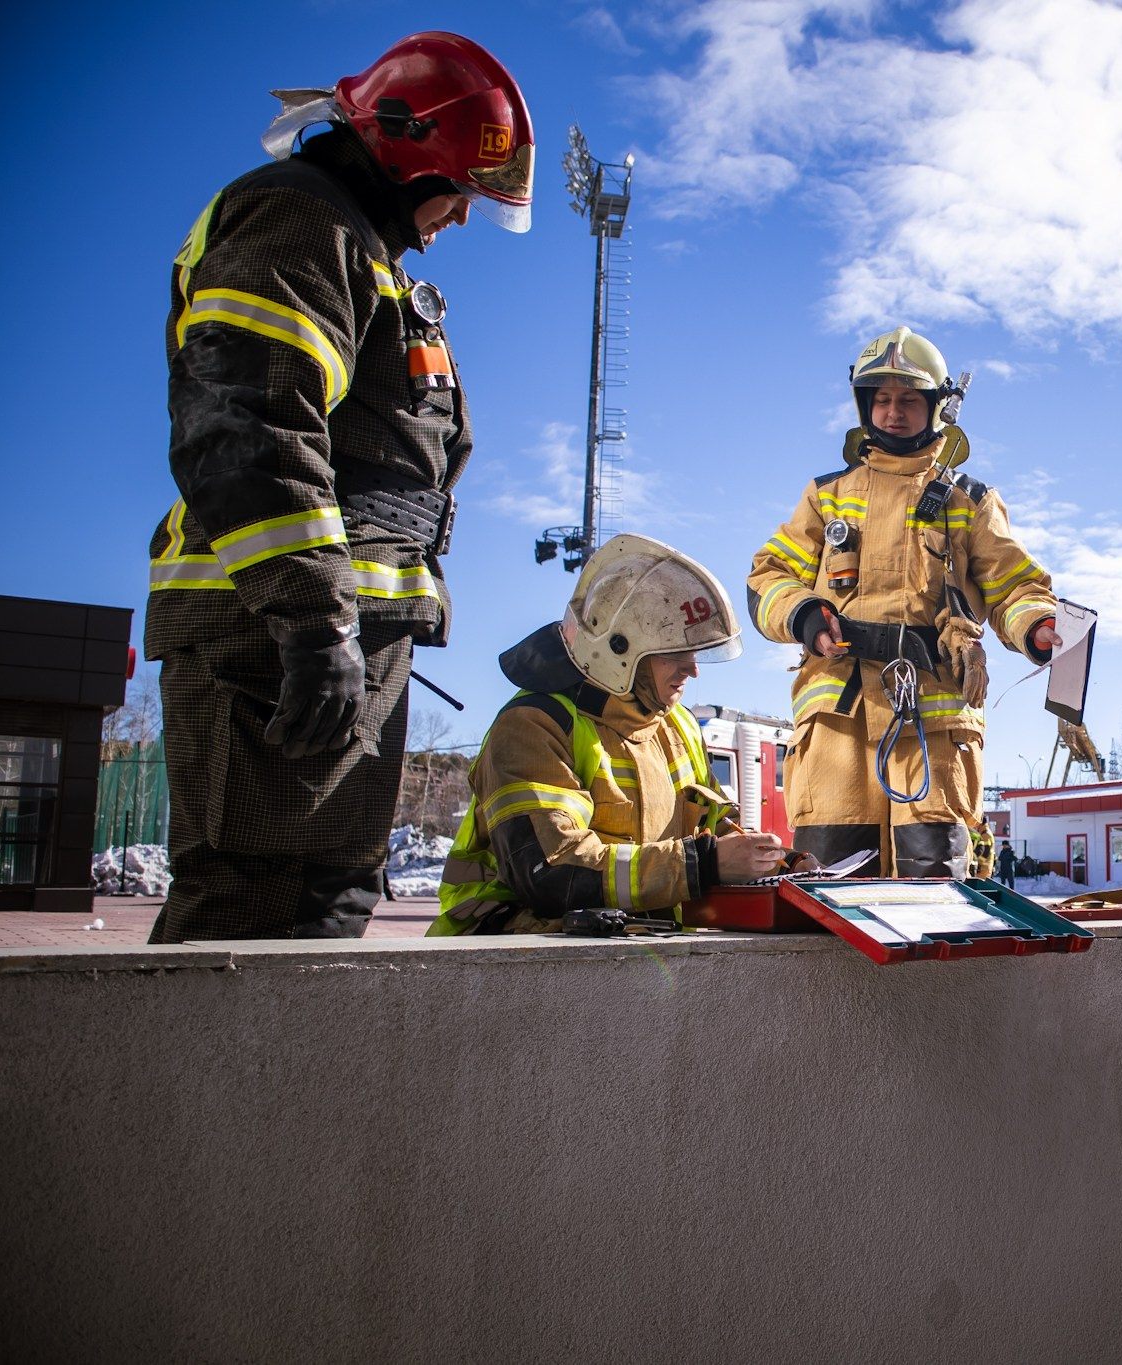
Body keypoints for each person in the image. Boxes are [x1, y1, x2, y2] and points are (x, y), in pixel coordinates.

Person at [145, 34, 534, 942]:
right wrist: (316, 623)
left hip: (339, 637)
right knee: (249, 910)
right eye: (459, 191)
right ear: (405, 157)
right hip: (274, 642)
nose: (462, 219)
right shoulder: (297, 221)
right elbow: (253, 427)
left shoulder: (364, 256)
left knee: (324, 908)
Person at [746, 328, 1063, 878]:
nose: (894, 412)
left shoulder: (970, 500)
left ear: (937, 407)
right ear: (865, 405)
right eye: (882, 399)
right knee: (832, 886)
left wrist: (1037, 625)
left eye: (910, 399)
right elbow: (768, 576)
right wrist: (802, 614)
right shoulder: (827, 496)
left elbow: (1014, 585)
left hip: (933, 728)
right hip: (836, 728)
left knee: (937, 889)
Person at [430, 536, 788, 934]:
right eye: (675, 652)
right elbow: (550, 874)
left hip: (628, 952)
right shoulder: (533, 725)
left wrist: (777, 860)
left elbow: (716, 828)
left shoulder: (678, 725)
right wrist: (704, 863)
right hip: (509, 960)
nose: (694, 669)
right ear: (617, 652)